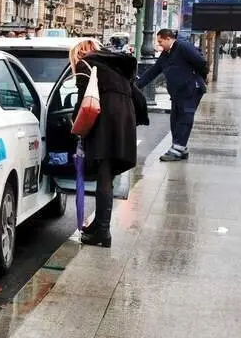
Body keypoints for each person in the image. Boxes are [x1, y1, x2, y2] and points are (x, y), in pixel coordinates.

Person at [70, 39, 148, 248]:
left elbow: (83, 99)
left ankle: (103, 233)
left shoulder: (85, 64)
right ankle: (98, 224)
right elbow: (138, 97)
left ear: (80, 53)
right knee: (108, 174)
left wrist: (74, 123)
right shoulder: (115, 64)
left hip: (105, 122)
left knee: (104, 174)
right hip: (124, 121)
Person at [136, 28, 208, 162]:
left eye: (160, 41)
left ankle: (177, 149)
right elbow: (154, 71)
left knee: (185, 119)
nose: (159, 45)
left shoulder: (183, 47)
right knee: (175, 120)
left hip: (190, 90)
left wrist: (198, 79)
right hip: (177, 93)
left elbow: (201, 63)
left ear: (168, 39)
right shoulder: (166, 54)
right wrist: (136, 86)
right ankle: (180, 148)